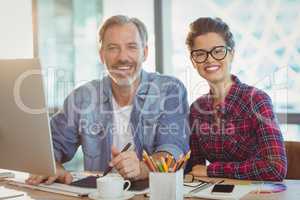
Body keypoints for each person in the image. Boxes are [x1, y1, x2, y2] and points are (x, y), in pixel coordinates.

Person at [26, 15, 189, 185]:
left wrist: (142, 168)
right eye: (113, 48)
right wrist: (52, 166)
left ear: (145, 52)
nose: (122, 57)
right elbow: (50, 145)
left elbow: (173, 150)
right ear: (101, 55)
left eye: (131, 47)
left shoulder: (170, 90)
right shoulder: (82, 97)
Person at [185, 17, 287, 181]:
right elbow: (196, 169)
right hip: (212, 194)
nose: (209, 59)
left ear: (231, 54)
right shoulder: (197, 108)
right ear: (193, 61)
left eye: (218, 51)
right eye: (200, 54)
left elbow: (276, 167)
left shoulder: (256, 100)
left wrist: (214, 170)